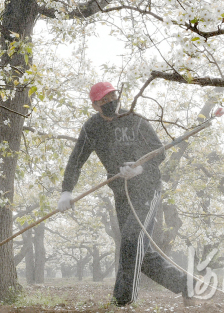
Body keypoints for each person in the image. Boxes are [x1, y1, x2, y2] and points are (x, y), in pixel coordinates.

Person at [57, 81, 195, 308]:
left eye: (112, 96)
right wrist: (66, 191)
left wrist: (139, 169)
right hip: (122, 194)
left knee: (132, 240)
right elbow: (76, 161)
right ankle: (188, 285)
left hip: (147, 190)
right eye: (104, 100)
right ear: (95, 106)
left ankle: (122, 302)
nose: (110, 102)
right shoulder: (91, 128)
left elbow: (159, 152)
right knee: (141, 255)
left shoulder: (135, 119)